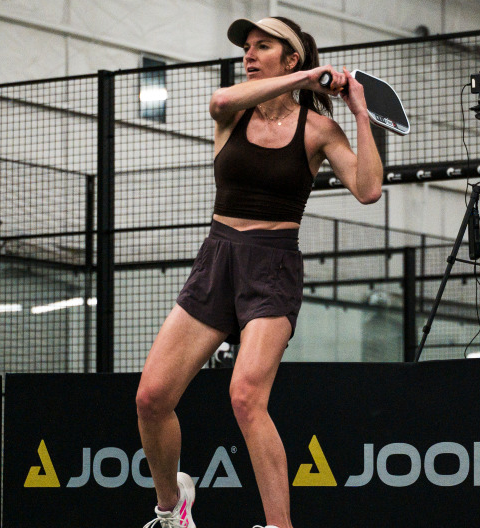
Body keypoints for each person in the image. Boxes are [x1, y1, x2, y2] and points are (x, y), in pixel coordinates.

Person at [135, 15, 382, 528]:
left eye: (262, 46)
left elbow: (368, 189)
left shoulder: (318, 129)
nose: (248, 55)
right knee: (152, 398)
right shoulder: (231, 111)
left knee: (246, 397)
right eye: (247, 47)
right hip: (217, 258)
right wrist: (307, 78)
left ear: (290, 57)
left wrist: (360, 112)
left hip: (272, 266)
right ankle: (173, 508)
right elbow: (220, 100)